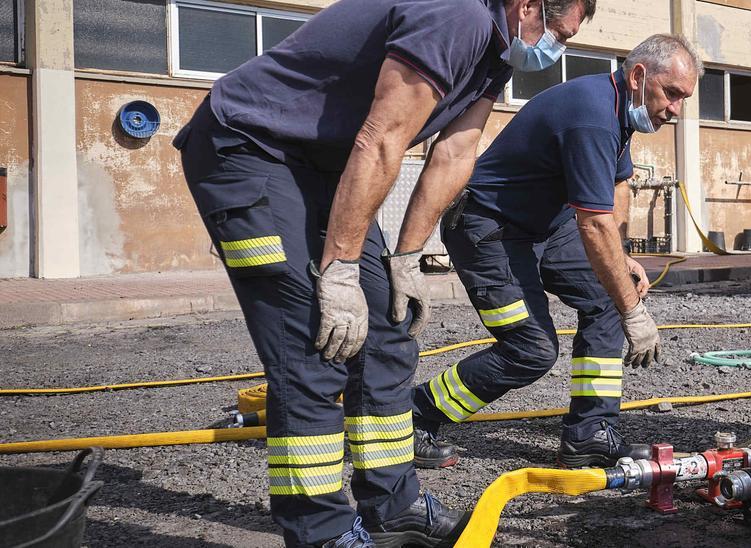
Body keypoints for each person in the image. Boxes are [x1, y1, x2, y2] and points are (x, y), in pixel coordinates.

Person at [173, 0, 593, 545]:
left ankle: (395, 508)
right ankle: (321, 531)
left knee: (388, 333)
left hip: (327, 169)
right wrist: (342, 267)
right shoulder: (458, 16)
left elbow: (456, 151)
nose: (554, 51)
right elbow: (383, 137)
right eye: (556, 34)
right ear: (528, 5)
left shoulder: (496, 52)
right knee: (315, 338)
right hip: (249, 148)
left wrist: (406, 256)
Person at [410, 34, 700, 469]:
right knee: (531, 349)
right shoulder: (593, 115)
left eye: (684, 99)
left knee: (607, 294)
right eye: (672, 94)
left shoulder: (622, 108)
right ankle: (416, 413)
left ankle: (589, 433)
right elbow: (594, 221)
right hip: (488, 227)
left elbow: (617, 187)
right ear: (639, 75)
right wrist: (634, 313)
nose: (676, 109)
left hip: (545, 225)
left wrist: (618, 261)